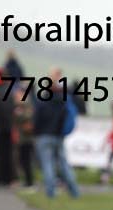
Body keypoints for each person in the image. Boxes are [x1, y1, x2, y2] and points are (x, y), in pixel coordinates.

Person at [32, 67, 80, 199]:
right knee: (64, 164)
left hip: (44, 135)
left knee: (48, 165)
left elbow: (37, 119)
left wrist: (35, 132)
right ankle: (74, 191)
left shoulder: (42, 102)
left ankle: (51, 192)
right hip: (58, 135)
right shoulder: (63, 101)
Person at [13, 88, 35, 188]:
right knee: (22, 160)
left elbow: (28, 118)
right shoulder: (18, 107)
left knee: (27, 160)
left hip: (27, 138)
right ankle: (26, 180)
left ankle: (29, 182)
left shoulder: (27, 106)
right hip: (21, 138)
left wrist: (19, 114)